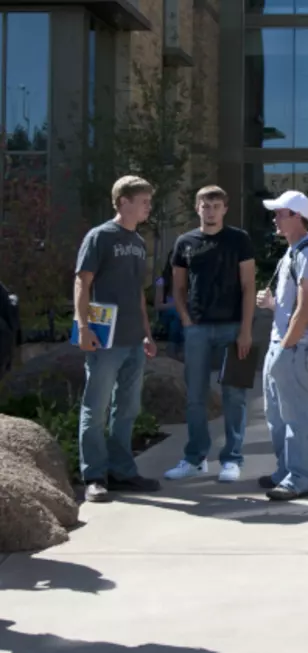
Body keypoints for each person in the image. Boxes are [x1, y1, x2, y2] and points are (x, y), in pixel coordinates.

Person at [74, 175, 161, 503]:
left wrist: (147, 334)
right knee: (95, 407)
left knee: (127, 408)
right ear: (123, 202)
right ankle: (94, 476)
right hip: (102, 336)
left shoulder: (138, 242)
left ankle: (123, 471)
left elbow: (138, 293)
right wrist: (82, 328)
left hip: (133, 339)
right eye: (144, 201)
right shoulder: (99, 237)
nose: (148, 207)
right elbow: (83, 283)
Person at [163, 186, 256, 484]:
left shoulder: (239, 239)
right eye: (206, 205)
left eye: (216, 205)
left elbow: (248, 287)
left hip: (232, 326)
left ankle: (231, 459)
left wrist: (245, 330)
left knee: (235, 396)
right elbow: (177, 286)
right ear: (197, 208)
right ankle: (195, 458)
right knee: (195, 396)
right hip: (198, 329)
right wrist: (186, 318)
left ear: (225, 208)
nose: (211, 210)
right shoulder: (184, 242)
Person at [255, 190, 308, 501]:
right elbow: (291, 307)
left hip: (292, 348)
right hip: (283, 344)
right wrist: (272, 305)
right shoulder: (293, 253)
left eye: (281, 213)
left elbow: (306, 307)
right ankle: (286, 470)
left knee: (295, 415)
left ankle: (299, 477)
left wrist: (286, 346)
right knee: (276, 414)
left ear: (297, 217)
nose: (275, 218)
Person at [154, 249, 184, 359]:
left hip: (181, 316)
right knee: (177, 314)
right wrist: (176, 305)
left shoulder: (187, 279)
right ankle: (177, 347)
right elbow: (158, 305)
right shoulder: (161, 280)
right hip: (166, 314)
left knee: (176, 321)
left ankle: (173, 348)